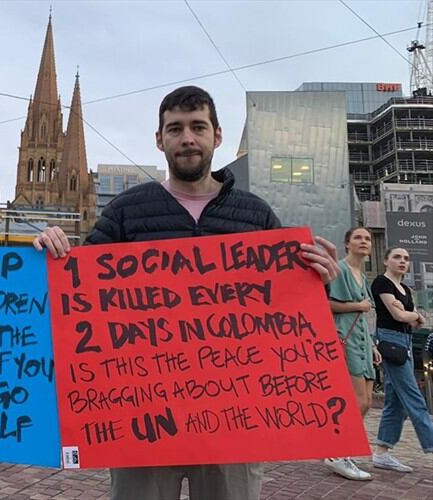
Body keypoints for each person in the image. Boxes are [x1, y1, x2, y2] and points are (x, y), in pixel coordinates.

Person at [34, 86, 339, 500]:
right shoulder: (125, 210)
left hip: (235, 414)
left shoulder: (256, 213)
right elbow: (79, 296)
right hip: (142, 413)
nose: (187, 138)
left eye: (198, 127)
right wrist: (51, 252)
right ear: (160, 140)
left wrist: (319, 279)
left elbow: (288, 308)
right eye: (175, 129)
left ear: (217, 135)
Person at [323, 227, 380, 481]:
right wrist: (358, 305)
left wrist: (372, 345)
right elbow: (326, 303)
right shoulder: (341, 269)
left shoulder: (362, 276)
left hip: (361, 340)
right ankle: (337, 453)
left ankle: (344, 449)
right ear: (347, 244)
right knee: (356, 400)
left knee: (366, 401)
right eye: (358, 238)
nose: (364, 241)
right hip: (344, 337)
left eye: (367, 238)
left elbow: (363, 316)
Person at [370, 247, 433, 472]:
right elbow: (399, 316)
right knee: (414, 398)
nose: (402, 261)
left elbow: (419, 321)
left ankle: (382, 453)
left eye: (406, 258)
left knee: (395, 402)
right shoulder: (381, 283)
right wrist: (411, 315)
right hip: (391, 342)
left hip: (405, 341)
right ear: (386, 260)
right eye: (397, 257)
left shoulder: (405, 289)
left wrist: (412, 315)